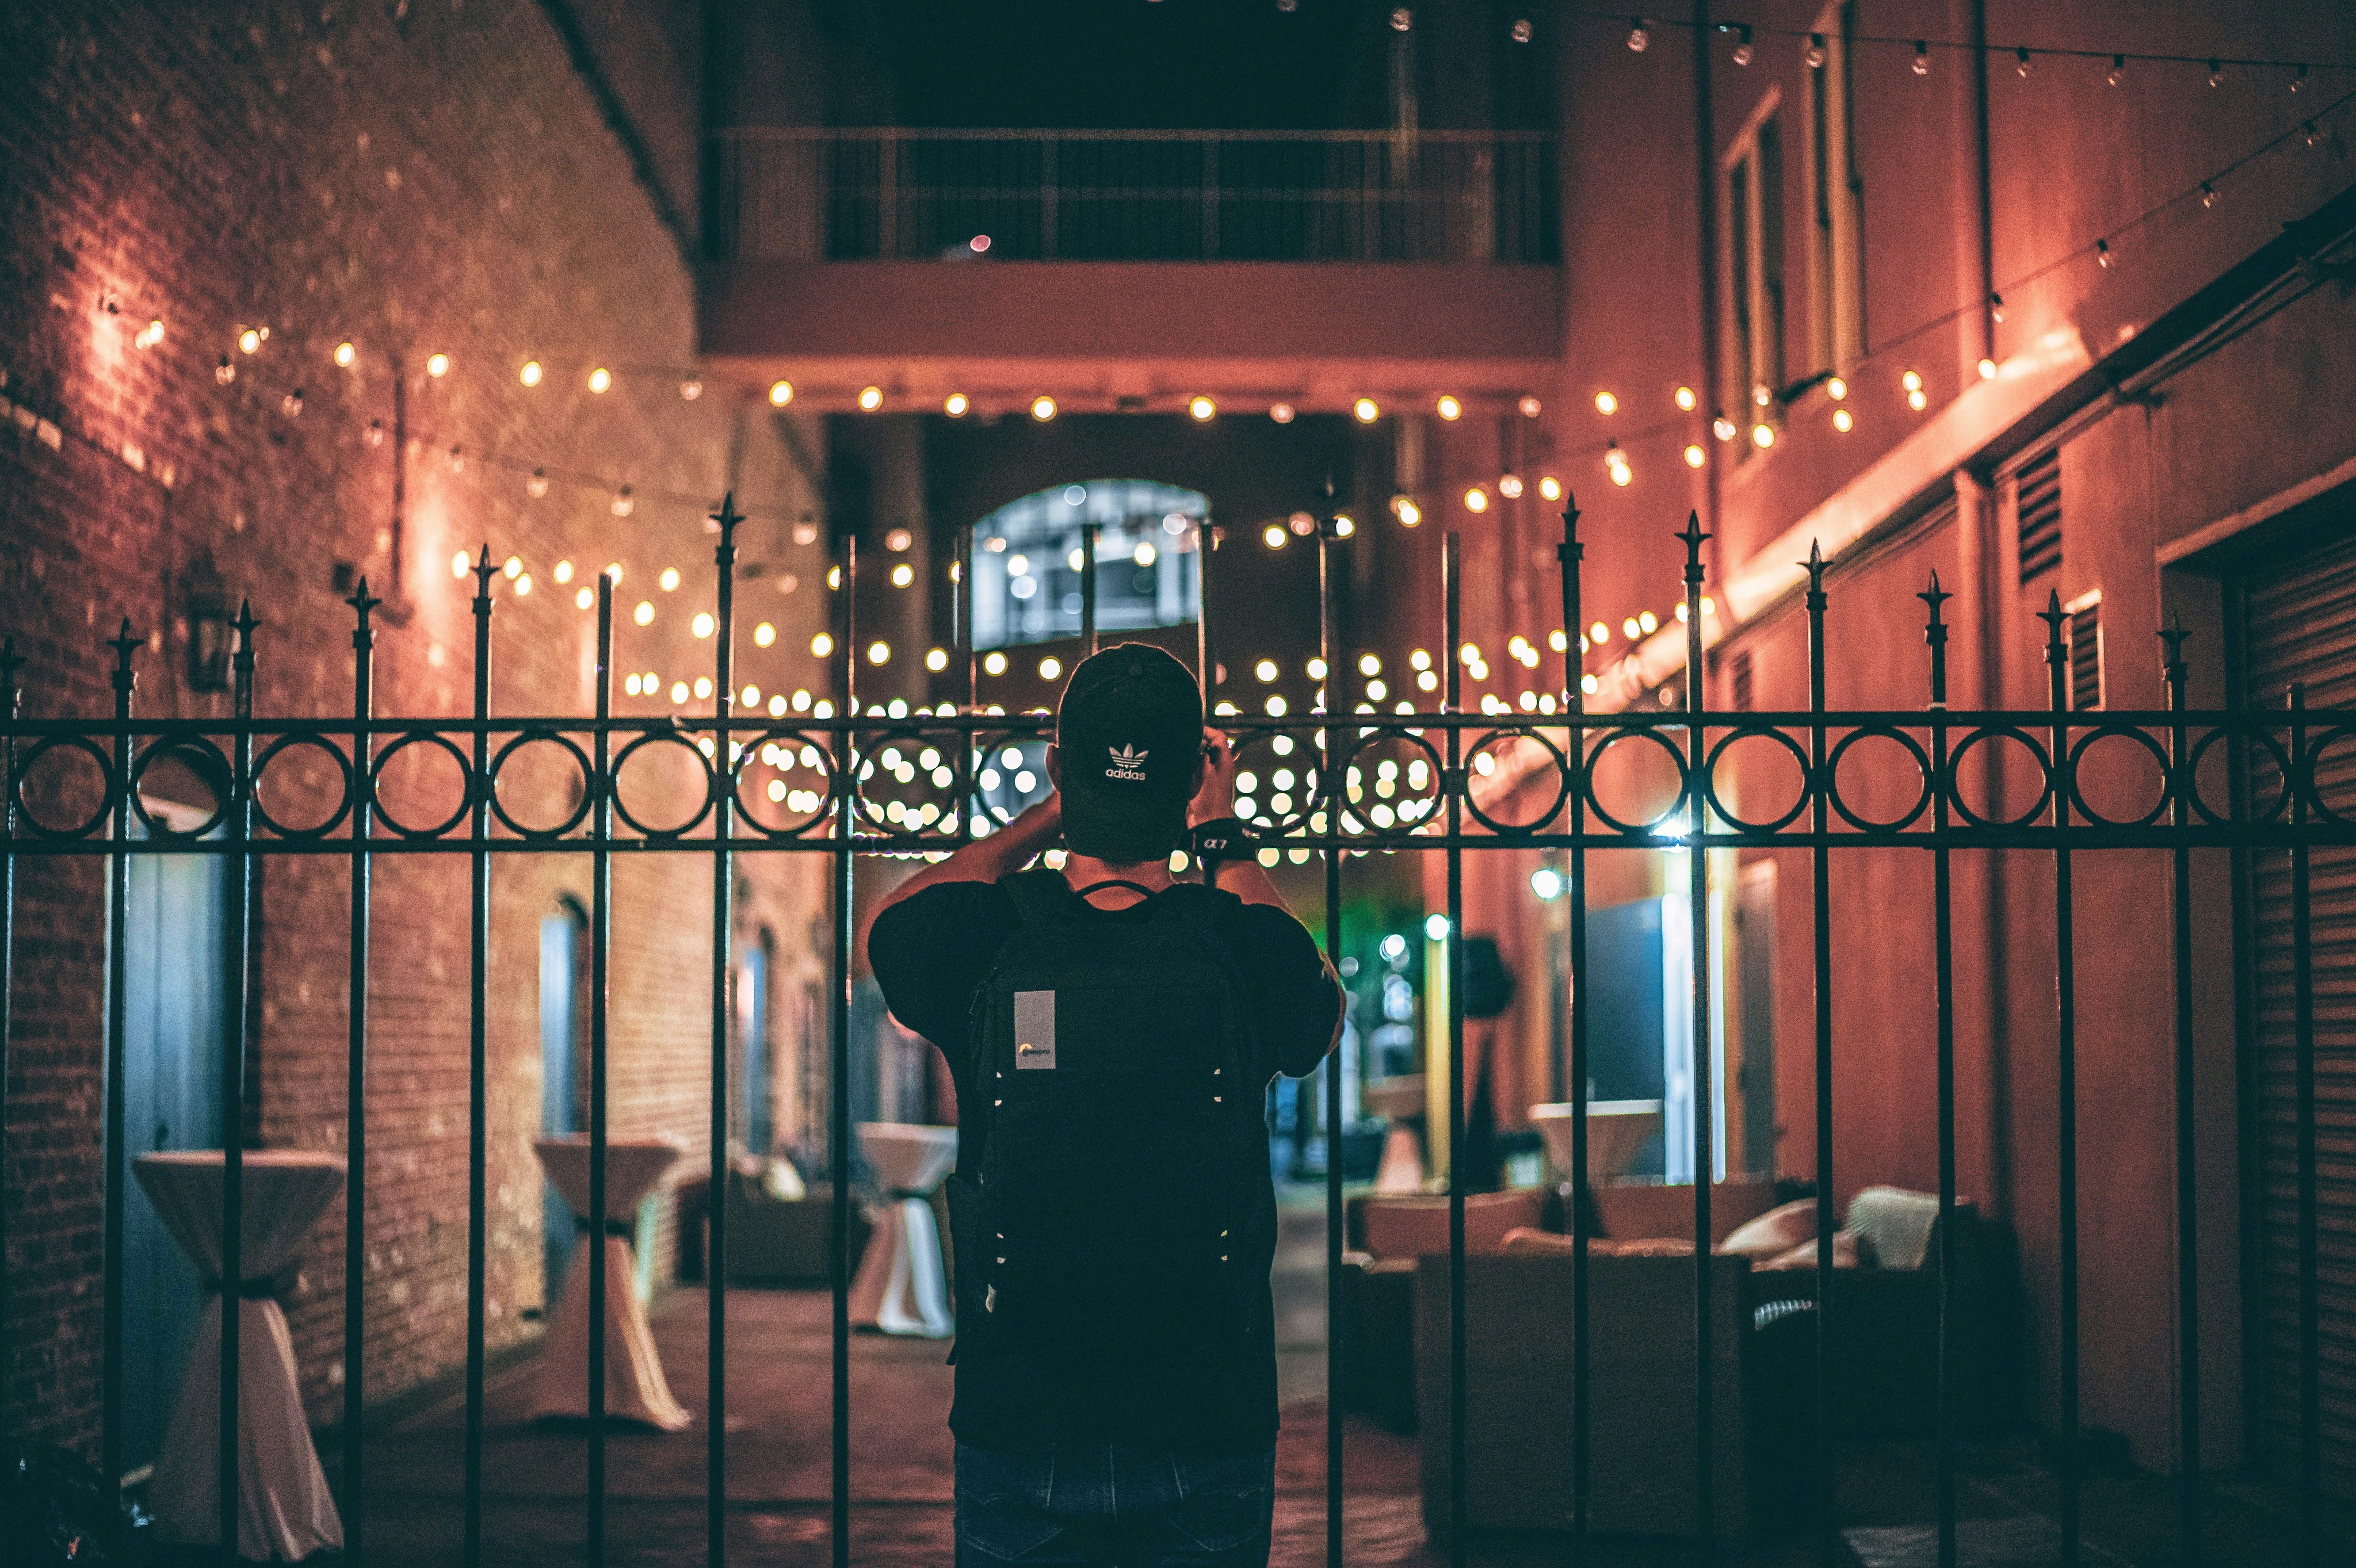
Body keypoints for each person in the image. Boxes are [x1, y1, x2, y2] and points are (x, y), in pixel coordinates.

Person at [864, 641, 1342, 1567]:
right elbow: (1316, 1017)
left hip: (1023, 1404)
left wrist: (1048, 816)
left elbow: (893, 927)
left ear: (1058, 763)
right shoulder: (1235, 941)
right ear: (1192, 782)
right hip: (1206, 1403)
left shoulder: (992, 933)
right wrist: (1223, 833)